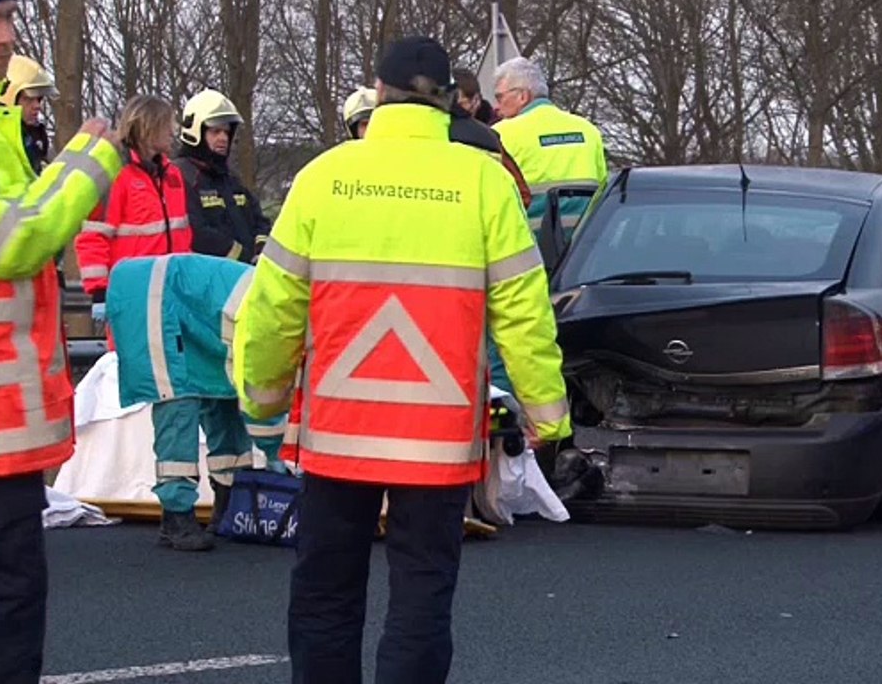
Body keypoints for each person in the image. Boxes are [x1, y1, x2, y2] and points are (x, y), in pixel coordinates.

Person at [231, 35, 572, 684]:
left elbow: (272, 307)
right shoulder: (482, 183)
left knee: (326, 592)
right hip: (436, 441)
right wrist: (545, 414)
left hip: (339, 431)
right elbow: (525, 315)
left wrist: (263, 395)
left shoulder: (323, 178)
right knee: (420, 596)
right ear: (449, 100)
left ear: (378, 93)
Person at [0, 0, 122, 682]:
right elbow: (6, 244)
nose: (5, 37)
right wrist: (90, 163)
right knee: (4, 599)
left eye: (7, 18)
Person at [104, 252, 288, 552]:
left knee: (225, 401)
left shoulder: (279, 306)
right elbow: (261, 396)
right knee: (178, 406)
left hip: (197, 313)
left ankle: (229, 507)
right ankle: (176, 518)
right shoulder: (269, 321)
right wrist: (278, 455)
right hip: (153, 303)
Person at [75, 94, 191, 315]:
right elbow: (94, 236)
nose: (172, 132)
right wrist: (99, 291)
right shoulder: (115, 175)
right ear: (150, 127)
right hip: (131, 294)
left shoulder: (172, 175)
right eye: (167, 125)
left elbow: (184, 237)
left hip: (171, 293)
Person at [492, 56, 608, 241]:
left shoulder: (500, 134)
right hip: (585, 244)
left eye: (500, 97)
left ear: (522, 96)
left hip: (529, 245)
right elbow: (604, 191)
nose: (496, 107)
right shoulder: (588, 130)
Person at [174, 88, 271, 264]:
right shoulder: (181, 176)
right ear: (195, 132)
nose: (223, 138)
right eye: (215, 131)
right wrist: (243, 256)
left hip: (244, 276)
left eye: (226, 132)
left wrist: (261, 249)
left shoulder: (230, 178)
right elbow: (199, 234)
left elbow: (260, 220)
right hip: (210, 281)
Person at [0, 53, 55, 174]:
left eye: (39, 99)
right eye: (28, 99)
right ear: (7, 97)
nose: (37, 106)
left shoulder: (34, 143)